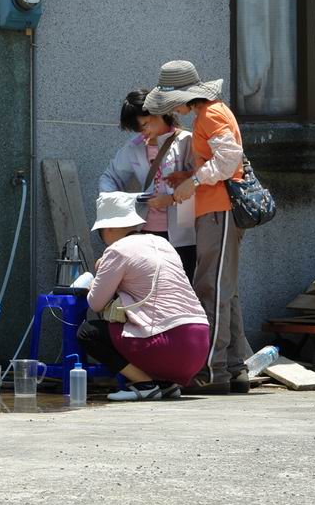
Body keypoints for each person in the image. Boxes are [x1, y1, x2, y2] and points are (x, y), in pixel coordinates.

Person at [145, 60, 251, 395]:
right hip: (217, 212)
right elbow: (222, 161)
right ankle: (234, 368)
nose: (172, 108)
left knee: (211, 288)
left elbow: (229, 160)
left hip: (219, 212)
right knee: (225, 291)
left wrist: (193, 180)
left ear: (182, 96)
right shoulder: (211, 114)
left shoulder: (211, 115)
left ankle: (210, 370)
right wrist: (189, 179)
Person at [77, 192, 209, 401]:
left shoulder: (117, 250)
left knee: (88, 333)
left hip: (168, 346)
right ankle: (165, 384)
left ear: (108, 228)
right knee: (142, 324)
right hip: (199, 345)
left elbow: (95, 303)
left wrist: (94, 281)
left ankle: (144, 384)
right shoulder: (163, 244)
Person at [98, 88, 197, 280]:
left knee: (180, 287)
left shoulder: (186, 141)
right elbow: (109, 178)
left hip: (182, 236)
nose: (144, 133)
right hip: (144, 233)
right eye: (139, 129)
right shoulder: (134, 146)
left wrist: (170, 198)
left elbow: (202, 180)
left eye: (145, 125)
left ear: (158, 112)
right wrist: (119, 201)